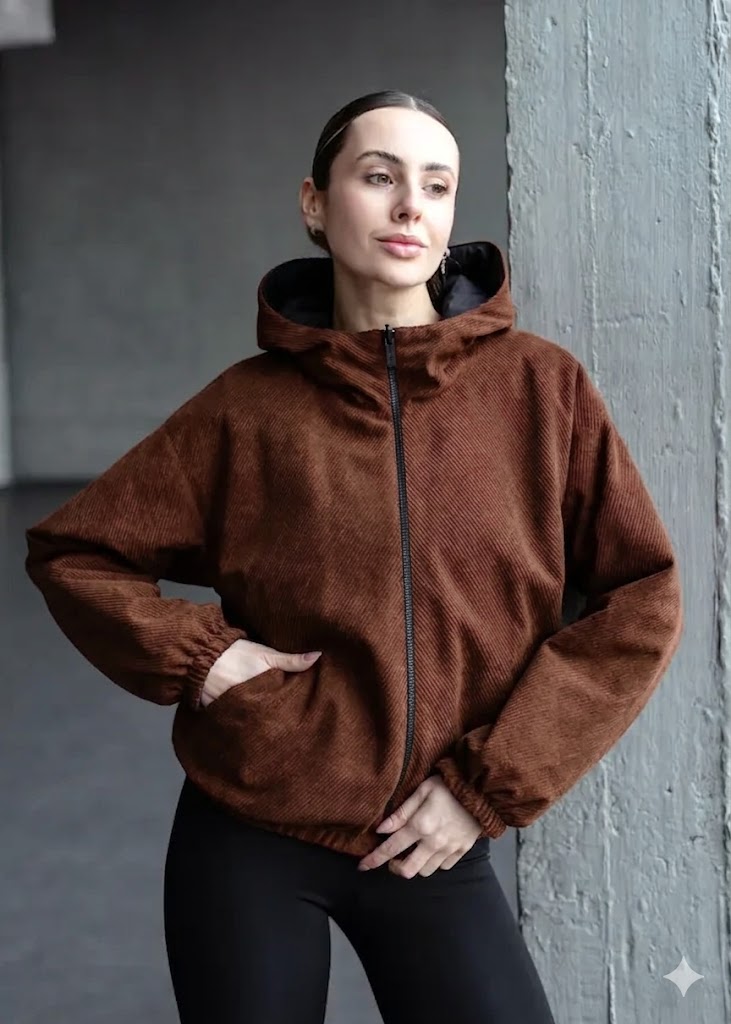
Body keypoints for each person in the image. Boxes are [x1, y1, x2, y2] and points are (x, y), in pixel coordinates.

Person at [24, 89, 683, 1023]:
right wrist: (204, 655)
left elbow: (640, 594)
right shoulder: (245, 409)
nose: (410, 205)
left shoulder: (540, 390)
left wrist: (487, 789)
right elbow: (75, 550)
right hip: (247, 829)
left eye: (436, 185)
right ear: (314, 203)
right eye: (378, 177)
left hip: (432, 833)